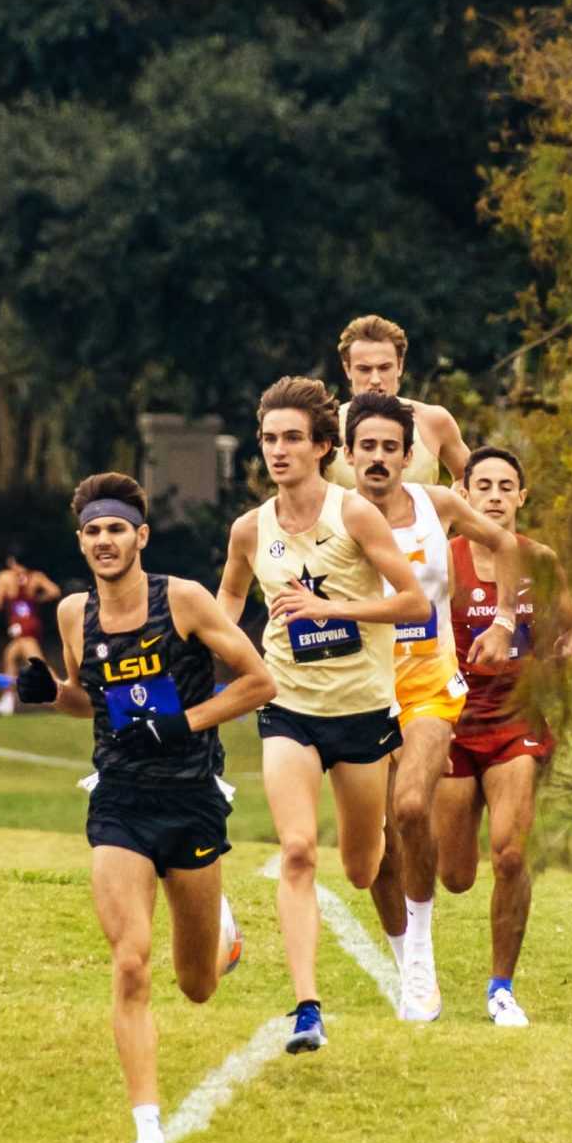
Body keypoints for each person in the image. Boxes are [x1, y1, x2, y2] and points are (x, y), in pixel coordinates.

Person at [18, 472, 276, 1143]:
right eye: (93, 531)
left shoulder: (183, 600)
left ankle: (219, 928)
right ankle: (148, 1134)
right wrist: (53, 694)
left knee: (196, 985)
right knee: (131, 958)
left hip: (190, 796)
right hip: (120, 801)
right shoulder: (75, 614)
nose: (105, 541)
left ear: (140, 536)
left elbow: (259, 682)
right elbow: (91, 702)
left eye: (116, 529)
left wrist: (182, 722)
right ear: (81, 541)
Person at [215, 376, 430, 1054]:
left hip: (363, 711)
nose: (278, 451)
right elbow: (228, 599)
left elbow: (414, 604)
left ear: (321, 447)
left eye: (291, 439)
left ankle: (390, 916)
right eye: (269, 439)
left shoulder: (355, 515)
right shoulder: (250, 528)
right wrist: (212, 651)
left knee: (364, 864)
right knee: (299, 851)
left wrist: (332, 609)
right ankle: (307, 1006)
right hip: (289, 706)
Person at [341, 395, 525, 1022]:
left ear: (408, 455)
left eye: (391, 447)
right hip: (359, 692)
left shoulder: (437, 505)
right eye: (367, 446)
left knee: (412, 805)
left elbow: (511, 545)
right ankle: (404, 957)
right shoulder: (335, 519)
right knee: (369, 855)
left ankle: (419, 949)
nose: (379, 457)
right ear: (347, 455)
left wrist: (503, 621)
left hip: (429, 685)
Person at [437, 446, 572, 1027]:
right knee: (456, 875)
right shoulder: (444, 558)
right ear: (464, 494)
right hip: (450, 722)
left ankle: (501, 989)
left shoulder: (541, 560)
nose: (495, 496)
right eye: (484, 485)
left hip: (515, 722)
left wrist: (560, 661)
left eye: (506, 486)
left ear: (522, 497)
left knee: (511, 853)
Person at [323, 314, 471, 490]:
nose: (375, 379)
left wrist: (448, 509)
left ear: (400, 365)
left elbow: (472, 477)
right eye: (364, 369)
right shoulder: (327, 424)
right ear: (347, 369)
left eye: (384, 368)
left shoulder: (433, 420)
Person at [0, 553, 61, 716]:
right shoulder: (36, 577)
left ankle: (61, 693)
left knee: (37, 662)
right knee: (10, 656)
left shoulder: (5, 577)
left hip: (18, 625)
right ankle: (7, 700)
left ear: (11, 561)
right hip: (32, 623)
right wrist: (37, 599)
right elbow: (55, 591)